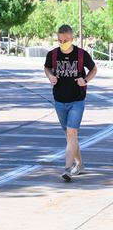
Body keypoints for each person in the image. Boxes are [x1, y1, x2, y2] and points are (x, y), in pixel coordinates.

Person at [44, 25, 97, 181]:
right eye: (60, 40)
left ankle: (67, 169)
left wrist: (85, 80)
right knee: (70, 137)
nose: (62, 42)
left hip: (77, 100)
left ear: (72, 38)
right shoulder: (52, 55)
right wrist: (50, 76)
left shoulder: (81, 54)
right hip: (59, 101)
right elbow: (47, 68)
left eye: (65, 40)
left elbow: (94, 69)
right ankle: (80, 164)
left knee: (72, 133)